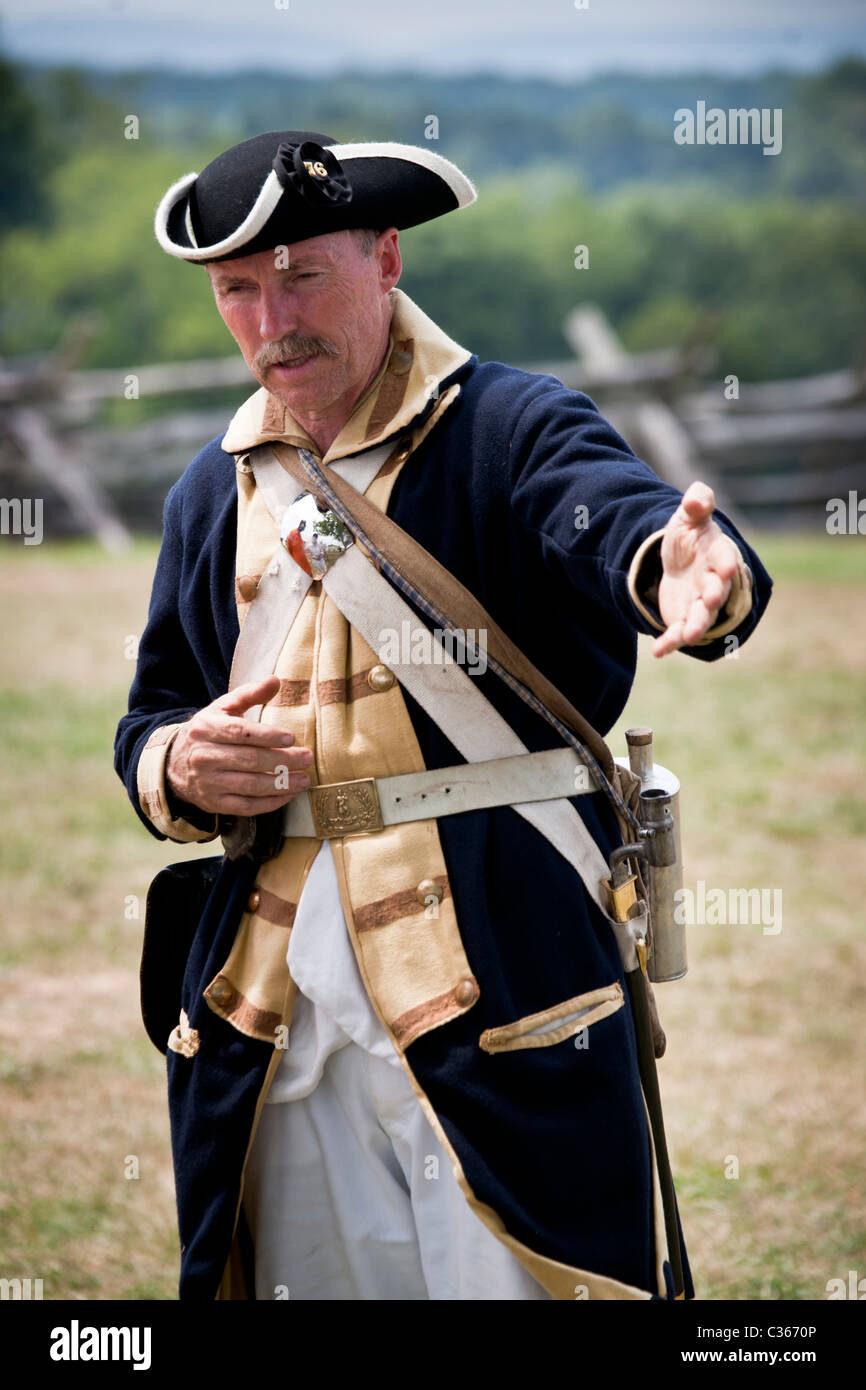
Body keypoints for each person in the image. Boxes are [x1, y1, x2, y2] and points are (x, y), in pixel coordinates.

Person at [115, 130, 772, 1301]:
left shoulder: (509, 425)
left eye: (304, 274)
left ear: (386, 258)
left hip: (501, 979)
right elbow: (154, 712)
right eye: (237, 291)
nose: (273, 320)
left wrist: (689, 573)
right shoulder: (210, 488)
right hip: (270, 1004)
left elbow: (620, 519)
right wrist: (179, 760)